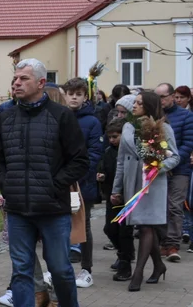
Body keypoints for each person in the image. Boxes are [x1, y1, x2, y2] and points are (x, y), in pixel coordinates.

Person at [0, 59, 88, 307]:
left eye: (24, 78)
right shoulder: (5, 118)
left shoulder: (61, 117)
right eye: (15, 78)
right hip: (18, 209)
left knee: (60, 268)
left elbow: (79, 160)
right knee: (21, 270)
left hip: (53, 210)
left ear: (41, 83)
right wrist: (8, 183)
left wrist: (54, 184)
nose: (16, 83)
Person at [114, 91, 179, 291]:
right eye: (135, 102)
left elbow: (173, 156)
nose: (134, 106)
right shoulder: (127, 127)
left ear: (149, 106)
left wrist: (157, 167)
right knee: (144, 227)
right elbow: (121, 160)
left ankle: (138, 273)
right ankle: (158, 266)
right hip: (132, 182)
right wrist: (116, 187)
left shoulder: (163, 128)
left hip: (152, 185)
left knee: (145, 228)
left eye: (140, 103)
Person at [64, 78, 104, 286]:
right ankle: (60, 268)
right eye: (70, 93)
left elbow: (95, 153)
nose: (74, 97)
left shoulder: (92, 121)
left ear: (85, 97)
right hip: (60, 181)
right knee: (60, 225)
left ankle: (86, 269)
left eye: (78, 94)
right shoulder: (58, 116)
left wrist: (79, 174)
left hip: (82, 182)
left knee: (83, 225)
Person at [155, 83, 192, 262]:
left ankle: (172, 244)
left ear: (172, 96)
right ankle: (162, 241)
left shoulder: (186, 116)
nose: (160, 100)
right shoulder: (154, 116)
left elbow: (188, 143)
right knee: (160, 205)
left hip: (180, 170)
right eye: (158, 97)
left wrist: (171, 162)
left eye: (163, 96)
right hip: (159, 168)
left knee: (174, 206)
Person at [99, 120, 134, 280]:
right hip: (112, 196)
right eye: (110, 137)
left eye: (115, 136)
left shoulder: (128, 151)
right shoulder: (108, 151)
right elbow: (104, 167)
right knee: (110, 229)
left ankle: (125, 263)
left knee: (124, 231)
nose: (112, 140)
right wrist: (101, 176)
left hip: (126, 196)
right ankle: (123, 253)